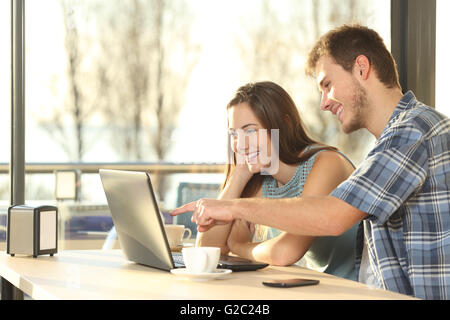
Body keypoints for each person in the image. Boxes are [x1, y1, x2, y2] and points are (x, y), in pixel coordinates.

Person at [172, 24, 450, 300]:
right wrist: (238, 179)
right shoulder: (396, 138)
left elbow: (332, 217)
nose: (324, 104)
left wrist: (233, 212)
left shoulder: (413, 130)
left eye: (327, 85)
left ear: (362, 68)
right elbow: (208, 252)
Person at [196, 81, 358, 280]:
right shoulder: (264, 180)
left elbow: (286, 252)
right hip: (314, 289)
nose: (240, 145)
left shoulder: (328, 164)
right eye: (233, 135)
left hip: (355, 290)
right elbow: (206, 252)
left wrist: (239, 247)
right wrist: (238, 175)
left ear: (284, 125)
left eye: (250, 131)